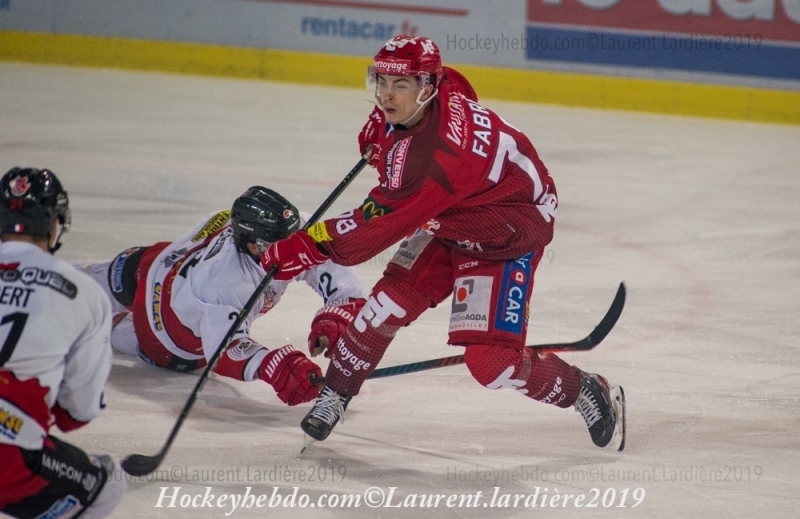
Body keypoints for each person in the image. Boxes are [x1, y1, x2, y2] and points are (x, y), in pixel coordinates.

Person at [260, 35, 626, 450]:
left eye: (400, 86)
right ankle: (337, 391)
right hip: (452, 218)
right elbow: (461, 85)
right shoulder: (438, 91)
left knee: (492, 364)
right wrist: (384, 130)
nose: (385, 95)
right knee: (385, 307)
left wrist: (305, 246)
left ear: (427, 86)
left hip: (505, 235)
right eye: (381, 82)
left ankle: (585, 389)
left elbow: (372, 228)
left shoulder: (435, 161)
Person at [81, 186, 367, 406]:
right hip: (162, 327)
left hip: (164, 293)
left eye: (292, 237)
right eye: (277, 244)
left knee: (102, 309)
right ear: (251, 244)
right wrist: (274, 367)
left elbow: (326, 262)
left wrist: (339, 312)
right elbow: (226, 349)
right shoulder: (224, 283)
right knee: (87, 296)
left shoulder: (285, 232)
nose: (291, 248)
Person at [0, 167, 127, 518]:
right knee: (107, 484)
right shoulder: (83, 290)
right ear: (55, 223)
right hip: (8, 460)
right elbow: (76, 411)